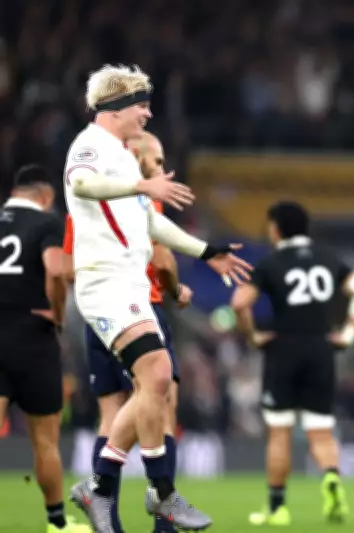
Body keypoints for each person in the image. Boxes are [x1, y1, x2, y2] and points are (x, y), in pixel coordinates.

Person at [65, 64, 252, 533]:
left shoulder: (123, 158)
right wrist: (141, 184)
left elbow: (150, 222)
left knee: (154, 383)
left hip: (129, 284)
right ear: (116, 107)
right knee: (158, 372)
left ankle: (101, 486)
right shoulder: (90, 144)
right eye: (142, 105)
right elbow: (81, 184)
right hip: (105, 282)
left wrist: (206, 252)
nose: (148, 114)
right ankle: (161, 494)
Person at [63, 132, 192, 533]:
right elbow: (164, 261)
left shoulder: (83, 203)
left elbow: (67, 268)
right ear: (136, 157)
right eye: (157, 160)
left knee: (110, 415)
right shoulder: (143, 197)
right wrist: (176, 291)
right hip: (140, 312)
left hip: (98, 315)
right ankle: (164, 526)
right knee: (160, 406)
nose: (161, 169)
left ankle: (108, 521)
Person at [230, 201, 354, 527]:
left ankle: (277, 508)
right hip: (322, 350)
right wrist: (349, 334)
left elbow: (240, 302)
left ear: (277, 228)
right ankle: (331, 475)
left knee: (279, 433)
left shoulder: (271, 262)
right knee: (321, 432)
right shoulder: (328, 257)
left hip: (283, 350)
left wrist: (253, 336)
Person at [0, 165, 91, 533]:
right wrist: (57, 313)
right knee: (45, 440)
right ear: (46, 196)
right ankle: (57, 522)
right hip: (32, 336)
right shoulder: (46, 223)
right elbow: (55, 269)